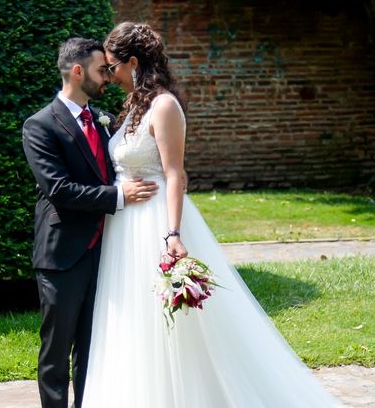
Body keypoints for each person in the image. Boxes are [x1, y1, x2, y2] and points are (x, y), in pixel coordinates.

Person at [81, 23, 344, 407]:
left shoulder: (163, 106)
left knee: (174, 328)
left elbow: (175, 174)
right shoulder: (132, 107)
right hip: (124, 228)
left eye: (113, 66)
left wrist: (172, 234)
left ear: (133, 63)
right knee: (134, 323)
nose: (109, 74)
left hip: (154, 221)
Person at [21, 37, 160, 408]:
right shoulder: (39, 126)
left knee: (92, 346)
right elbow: (60, 189)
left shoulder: (102, 122)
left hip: (104, 251)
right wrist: (119, 197)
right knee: (56, 349)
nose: (108, 78)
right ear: (78, 71)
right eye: (102, 70)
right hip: (62, 254)